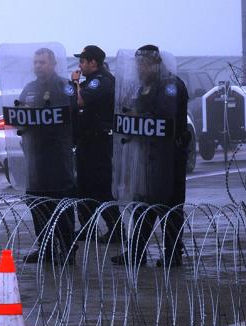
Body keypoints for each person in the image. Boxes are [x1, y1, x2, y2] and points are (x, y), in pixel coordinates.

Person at [111, 45, 190, 267]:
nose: (140, 69)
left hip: (168, 157)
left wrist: (138, 115)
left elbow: (164, 116)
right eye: (138, 64)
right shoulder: (145, 86)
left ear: (156, 63)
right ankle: (137, 252)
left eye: (144, 64)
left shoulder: (170, 85)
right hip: (146, 156)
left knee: (169, 206)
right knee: (143, 203)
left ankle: (172, 254)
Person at [17, 48, 76, 264]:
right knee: (37, 202)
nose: (38, 66)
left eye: (42, 62)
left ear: (53, 64)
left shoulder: (64, 86)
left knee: (61, 202)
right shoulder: (30, 88)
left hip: (57, 156)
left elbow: (72, 119)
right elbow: (20, 113)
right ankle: (46, 248)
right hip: (35, 156)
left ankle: (68, 248)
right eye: (35, 62)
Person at [70, 45, 120, 243]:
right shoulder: (92, 81)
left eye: (82, 61)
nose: (80, 66)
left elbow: (80, 101)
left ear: (93, 62)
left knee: (100, 187)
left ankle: (116, 229)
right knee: (83, 187)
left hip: (98, 142)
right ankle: (87, 227)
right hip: (87, 141)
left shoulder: (101, 81)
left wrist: (75, 83)